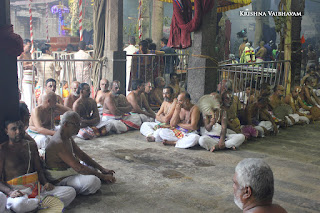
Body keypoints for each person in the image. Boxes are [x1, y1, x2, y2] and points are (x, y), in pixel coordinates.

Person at [0, 120, 76, 212]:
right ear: (6, 131)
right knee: (19, 205)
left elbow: (38, 169)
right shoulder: (2, 150)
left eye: (20, 128)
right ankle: (42, 205)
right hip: (17, 192)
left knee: (70, 192)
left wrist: (45, 182)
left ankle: (36, 205)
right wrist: (10, 192)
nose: (18, 132)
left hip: (37, 190)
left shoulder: (31, 146)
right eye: (13, 129)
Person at [45, 111, 115, 196]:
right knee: (94, 181)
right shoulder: (59, 142)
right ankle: (64, 187)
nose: (79, 127)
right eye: (76, 125)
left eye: (79, 124)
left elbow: (81, 154)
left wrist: (101, 169)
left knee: (92, 166)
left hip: (70, 170)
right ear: (66, 124)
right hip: (60, 177)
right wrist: (103, 176)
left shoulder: (67, 136)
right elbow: (78, 168)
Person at [18, 39, 35, 110]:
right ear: (24, 45)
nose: (30, 47)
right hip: (25, 76)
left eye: (31, 46)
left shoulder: (29, 54)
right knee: (27, 94)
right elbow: (20, 64)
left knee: (32, 94)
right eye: (29, 46)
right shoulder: (21, 54)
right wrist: (29, 65)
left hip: (31, 76)